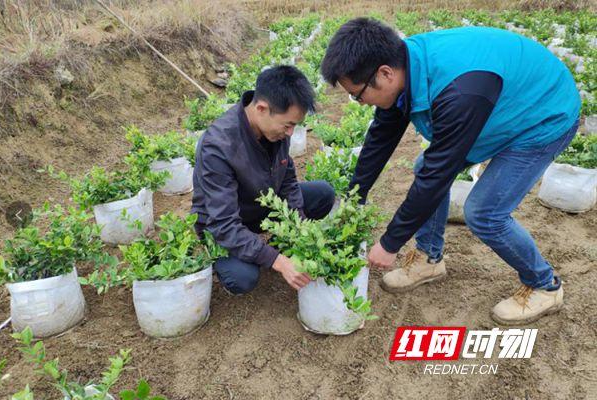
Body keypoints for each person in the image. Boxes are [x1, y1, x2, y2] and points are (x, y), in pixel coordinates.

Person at [320, 18, 580, 324]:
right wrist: (355, 196)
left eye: (358, 94)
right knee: (424, 168)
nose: (360, 103)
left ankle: (544, 285)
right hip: (500, 105)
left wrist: (390, 243)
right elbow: (382, 136)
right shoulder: (407, 64)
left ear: (385, 74)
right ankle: (429, 259)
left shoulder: (459, 91)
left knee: (484, 213)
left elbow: (438, 175)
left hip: (543, 115)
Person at [191, 65, 335, 295]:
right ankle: (245, 254)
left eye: (294, 125)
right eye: (288, 125)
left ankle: (263, 247)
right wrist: (279, 261)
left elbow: (287, 179)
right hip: (227, 221)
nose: (290, 133)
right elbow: (224, 224)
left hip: (263, 205)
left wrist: (300, 228)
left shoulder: (276, 131)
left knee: (323, 194)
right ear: (261, 108)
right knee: (242, 278)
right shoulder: (218, 146)